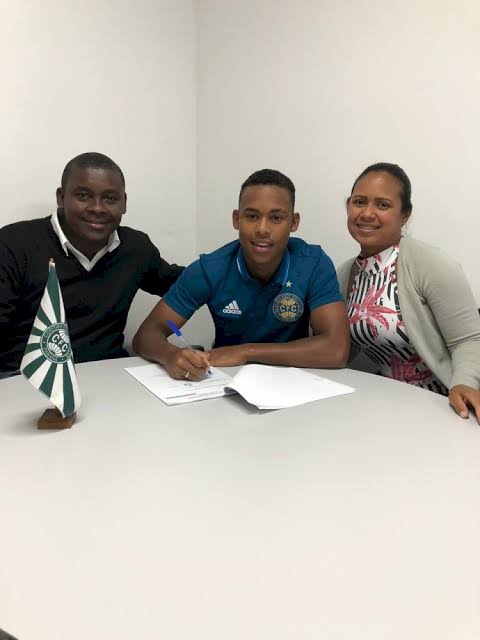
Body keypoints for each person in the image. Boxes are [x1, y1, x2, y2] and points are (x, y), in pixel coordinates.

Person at [133, 168, 350, 379]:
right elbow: (146, 335)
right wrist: (171, 355)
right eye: (252, 216)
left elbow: (337, 350)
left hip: (297, 380)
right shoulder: (209, 269)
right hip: (226, 380)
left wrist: (246, 352)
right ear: (236, 219)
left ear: (293, 222)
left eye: (276, 218)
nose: (262, 229)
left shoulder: (313, 263)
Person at [0, 152, 183, 377]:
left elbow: (184, 283)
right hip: (24, 381)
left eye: (110, 198)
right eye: (83, 196)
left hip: (107, 376)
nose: (97, 208)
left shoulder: (136, 248)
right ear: (61, 197)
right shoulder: (13, 245)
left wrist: (222, 263)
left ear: (124, 203)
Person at [337, 162, 480, 422]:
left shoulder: (429, 263)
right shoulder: (346, 274)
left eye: (382, 205)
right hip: (386, 406)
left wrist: (465, 383)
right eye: (359, 202)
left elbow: (469, 339)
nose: (367, 213)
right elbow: (343, 348)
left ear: (404, 215)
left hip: (444, 406)